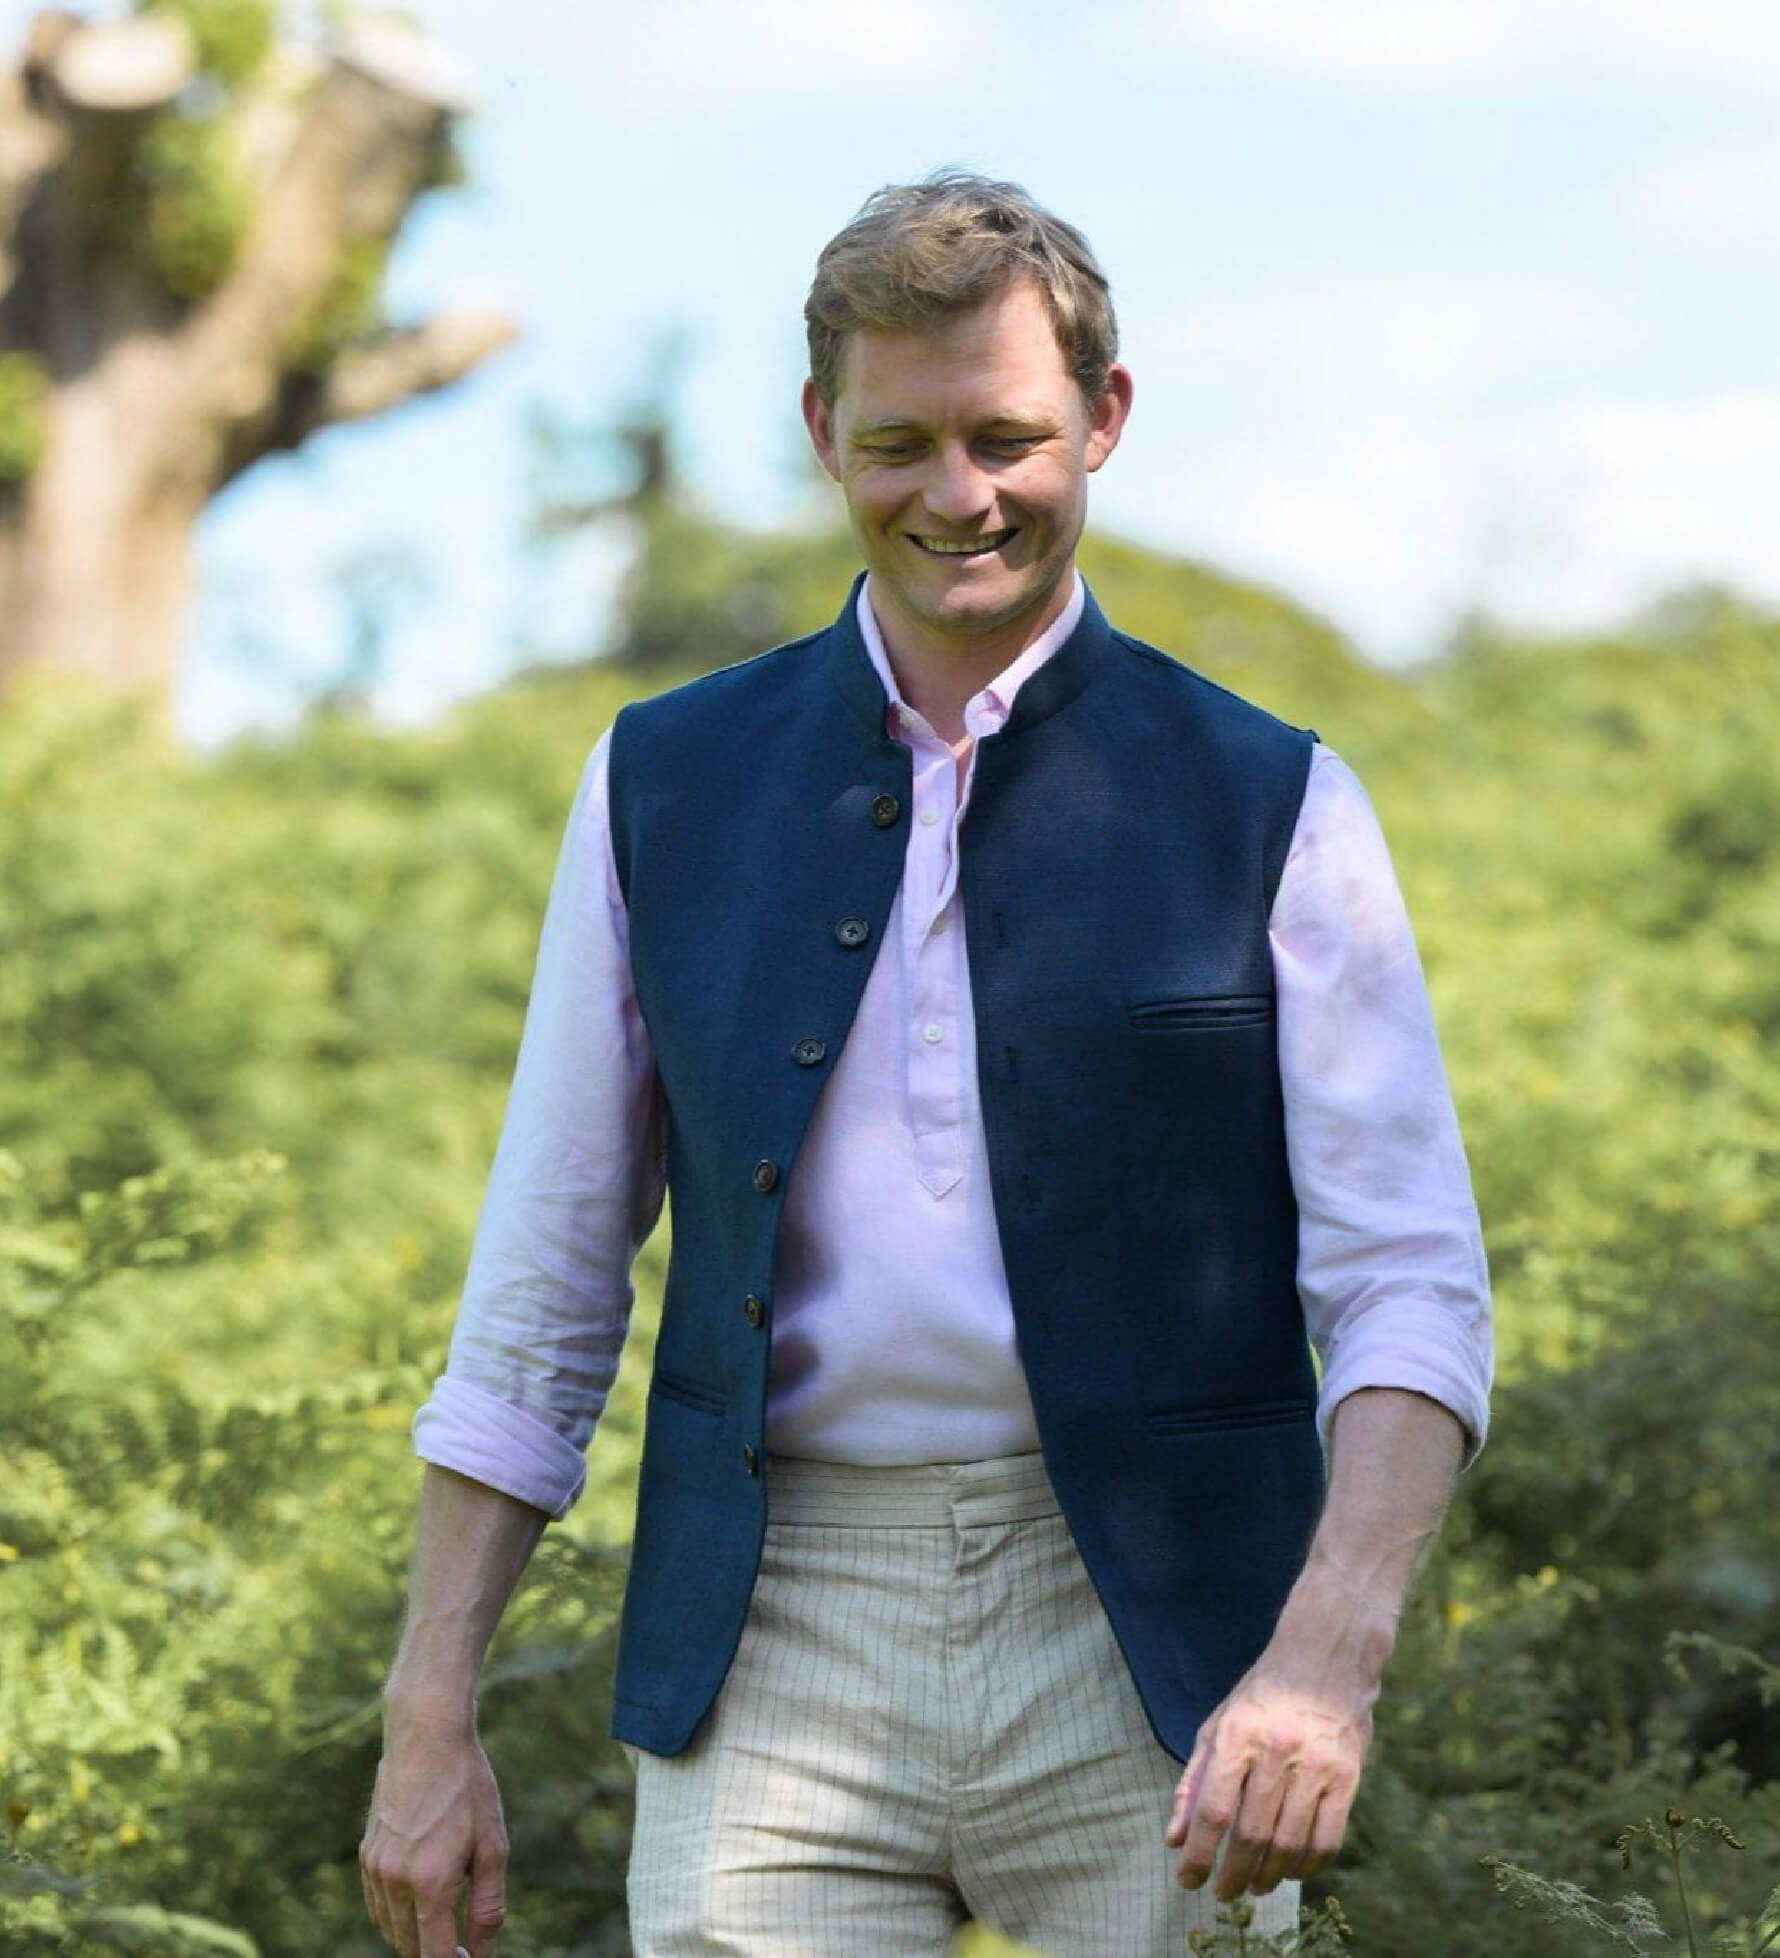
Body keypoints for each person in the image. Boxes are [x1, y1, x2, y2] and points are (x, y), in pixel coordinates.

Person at [360, 170, 1491, 1958]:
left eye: (1006, 435)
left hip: (1160, 1631)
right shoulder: (660, 781)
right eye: (899, 441)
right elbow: (547, 1277)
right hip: (777, 1620)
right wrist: (430, 1706)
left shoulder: (1277, 798)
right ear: (822, 432)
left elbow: (1410, 1280)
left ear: (1103, 420)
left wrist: (1322, 1661)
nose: (957, 495)